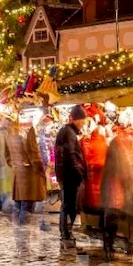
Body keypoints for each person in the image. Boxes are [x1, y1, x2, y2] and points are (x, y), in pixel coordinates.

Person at [99, 134, 133, 259]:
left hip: (111, 194)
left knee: (110, 220)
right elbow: (126, 173)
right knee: (116, 220)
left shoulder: (110, 158)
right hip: (117, 195)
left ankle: (108, 245)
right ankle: (115, 245)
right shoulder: (118, 156)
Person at [55, 105, 87, 249]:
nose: (83, 123)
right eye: (81, 120)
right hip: (69, 174)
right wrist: (78, 172)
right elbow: (70, 154)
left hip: (66, 174)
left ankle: (66, 232)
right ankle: (66, 233)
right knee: (69, 205)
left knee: (67, 204)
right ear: (74, 119)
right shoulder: (69, 133)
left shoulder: (67, 131)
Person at [6, 122, 47, 227]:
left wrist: (14, 164)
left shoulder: (11, 136)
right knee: (26, 206)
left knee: (19, 204)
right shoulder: (29, 132)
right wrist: (41, 170)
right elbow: (34, 154)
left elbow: (7, 155)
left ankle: (18, 230)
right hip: (29, 175)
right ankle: (23, 232)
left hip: (19, 174)